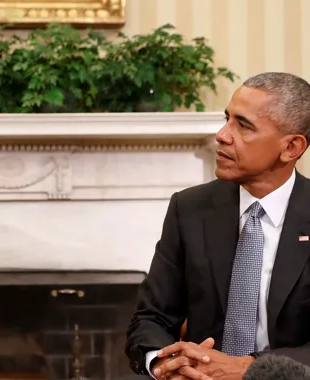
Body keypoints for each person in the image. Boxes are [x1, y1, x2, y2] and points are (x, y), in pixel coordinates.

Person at [122, 72, 310, 380]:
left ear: (291, 148)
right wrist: (163, 362)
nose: (222, 135)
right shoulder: (190, 208)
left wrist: (250, 368)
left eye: (243, 125)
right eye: (227, 119)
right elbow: (151, 317)